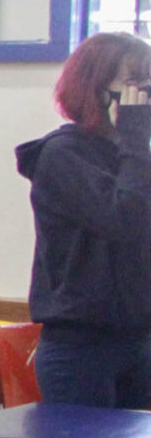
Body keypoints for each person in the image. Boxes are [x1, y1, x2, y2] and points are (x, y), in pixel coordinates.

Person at [18, 31, 151, 408]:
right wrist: (136, 137)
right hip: (80, 349)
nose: (144, 95)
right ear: (97, 87)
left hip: (138, 340)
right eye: (134, 82)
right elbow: (124, 219)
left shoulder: (133, 157)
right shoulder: (62, 155)